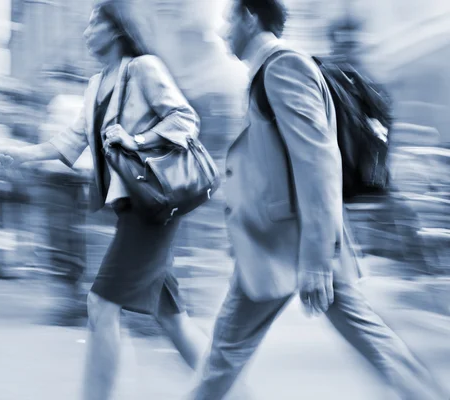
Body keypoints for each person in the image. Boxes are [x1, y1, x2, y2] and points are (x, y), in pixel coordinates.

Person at [188, 1, 447, 399]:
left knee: (226, 351)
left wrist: (316, 259)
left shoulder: (283, 67)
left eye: (228, 21)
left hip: (289, 242)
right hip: (287, 238)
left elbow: (318, 162)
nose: (222, 32)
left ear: (250, 17)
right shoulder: (268, 72)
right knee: (371, 341)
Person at [0, 5, 208, 400]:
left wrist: (136, 140)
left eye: (94, 23)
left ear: (115, 30)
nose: (86, 32)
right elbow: (71, 143)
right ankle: (230, 390)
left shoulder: (143, 68)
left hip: (153, 205)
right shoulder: (96, 83)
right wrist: (22, 154)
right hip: (129, 208)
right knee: (172, 318)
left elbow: (185, 118)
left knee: (100, 304)